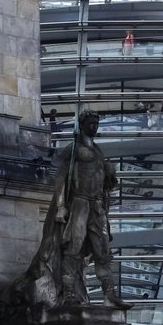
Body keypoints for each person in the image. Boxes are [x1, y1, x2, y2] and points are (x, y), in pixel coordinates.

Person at [39, 110, 130, 309]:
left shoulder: (97, 151)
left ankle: (110, 295)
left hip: (97, 206)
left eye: (96, 124)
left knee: (103, 250)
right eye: (90, 123)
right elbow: (61, 179)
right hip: (79, 203)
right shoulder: (72, 150)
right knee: (73, 247)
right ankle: (69, 294)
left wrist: (109, 176)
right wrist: (61, 207)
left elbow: (104, 183)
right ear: (81, 125)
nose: (94, 127)